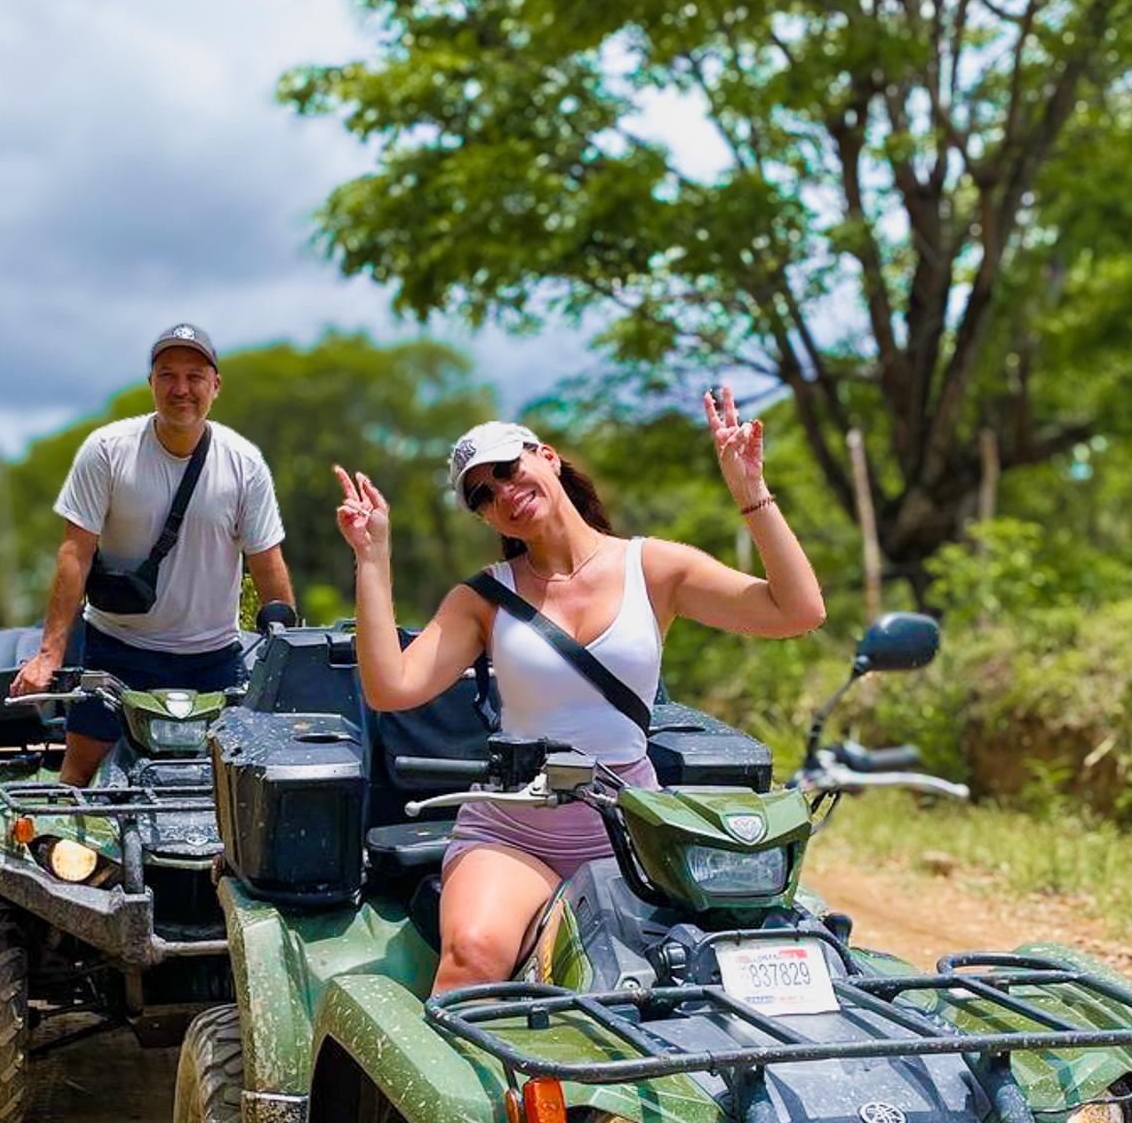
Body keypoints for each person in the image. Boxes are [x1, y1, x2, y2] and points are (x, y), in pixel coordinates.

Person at [334, 388, 825, 988]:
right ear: (485, 517)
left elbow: (798, 611)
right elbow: (390, 688)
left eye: (508, 470)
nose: (503, 493)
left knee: (688, 976)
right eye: (482, 495)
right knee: (473, 956)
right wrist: (372, 557)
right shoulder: (484, 598)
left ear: (547, 456)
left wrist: (751, 493)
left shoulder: (654, 567)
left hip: (629, 826)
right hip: (514, 829)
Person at [11, 322, 294, 785]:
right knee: (82, 771)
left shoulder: (244, 464)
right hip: (119, 648)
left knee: (232, 788)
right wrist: (49, 655)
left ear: (215, 387)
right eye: (167, 376)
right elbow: (74, 553)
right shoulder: (107, 452)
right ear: (151, 385)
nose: (181, 389)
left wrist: (288, 655)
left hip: (212, 656)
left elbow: (267, 564)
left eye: (194, 377)